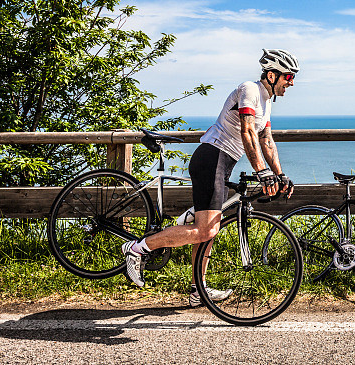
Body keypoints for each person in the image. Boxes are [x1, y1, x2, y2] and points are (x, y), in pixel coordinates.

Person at [121, 49, 299, 306]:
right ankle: (137, 249)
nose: (291, 83)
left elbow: (265, 139)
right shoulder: (249, 89)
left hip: (223, 162)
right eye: (289, 77)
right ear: (271, 75)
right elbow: (247, 131)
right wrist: (263, 172)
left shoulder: (266, 101)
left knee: (208, 230)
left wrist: (280, 174)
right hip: (212, 158)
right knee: (207, 228)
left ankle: (198, 291)